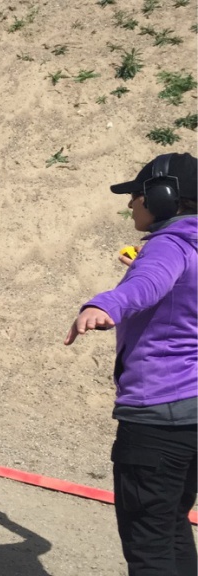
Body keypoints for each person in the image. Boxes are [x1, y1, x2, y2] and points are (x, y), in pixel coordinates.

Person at [64, 152, 197, 576]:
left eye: (137, 194)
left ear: (162, 196)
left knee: (148, 545)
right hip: (192, 415)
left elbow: (146, 284)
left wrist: (104, 304)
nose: (131, 203)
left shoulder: (168, 246)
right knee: (172, 524)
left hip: (158, 416)